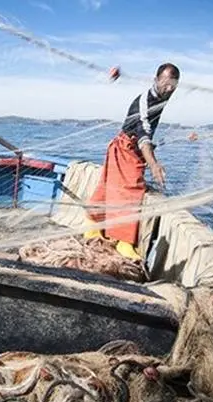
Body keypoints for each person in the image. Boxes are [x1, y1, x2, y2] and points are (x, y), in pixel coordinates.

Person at [83, 63, 180, 261]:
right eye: (166, 84)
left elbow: (148, 136)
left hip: (134, 148)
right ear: (157, 80)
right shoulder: (144, 101)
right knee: (130, 189)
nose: (170, 89)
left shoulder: (162, 96)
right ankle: (123, 242)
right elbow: (144, 132)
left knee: (108, 187)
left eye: (174, 85)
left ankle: (93, 227)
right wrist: (153, 164)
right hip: (126, 147)